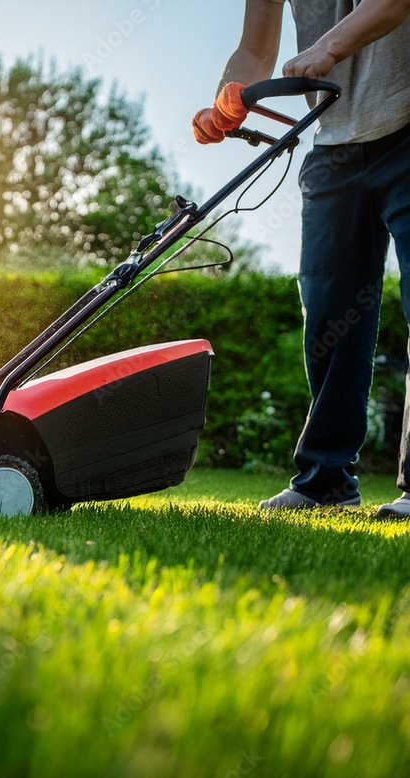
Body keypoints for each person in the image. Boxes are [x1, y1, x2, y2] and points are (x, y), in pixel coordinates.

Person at [192, 0, 410, 516]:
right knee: (331, 318)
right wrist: (227, 101)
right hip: (334, 145)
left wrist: (327, 47)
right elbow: (254, 48)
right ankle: (325, 483)